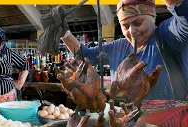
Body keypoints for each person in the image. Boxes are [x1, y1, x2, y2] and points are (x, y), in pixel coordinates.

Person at [60, 0, 188, 100]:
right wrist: (64, 33)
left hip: (170, 126)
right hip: (129, 124)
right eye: (125, 26)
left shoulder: (169, 35)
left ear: (152, 16)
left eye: (138, 23)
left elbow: (185, 14)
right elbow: (85, 55)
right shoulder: (117, 47)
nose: (132, 31)